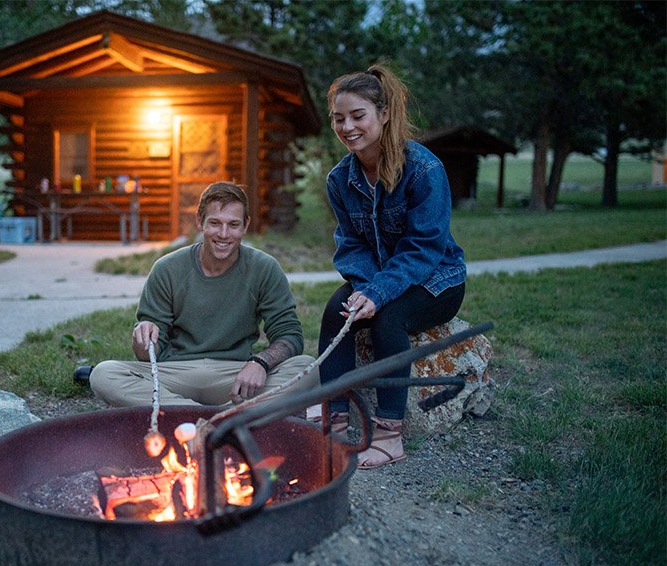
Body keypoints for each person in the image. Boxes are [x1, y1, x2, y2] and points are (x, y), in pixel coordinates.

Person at [315, 64, 467, 469]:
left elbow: (424, 248)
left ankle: (389, 433)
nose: (347, 127)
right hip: (379, 276)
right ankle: (334, 420)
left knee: (388, 320)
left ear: (383, 114)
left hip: (437, 280)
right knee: (337, 311)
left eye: (357, 116)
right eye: (338, 118)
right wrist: (365, 290)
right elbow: (350, 244)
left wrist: (378, 296)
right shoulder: (339, 180)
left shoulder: (423, 169)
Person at [89, 181, 318, 407]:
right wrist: (143, 341)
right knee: (104, 374)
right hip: (175, 372)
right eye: (215, 223)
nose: (224, 234)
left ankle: (184, 416)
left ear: (245, 225)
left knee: (308, 368)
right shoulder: (167, 268)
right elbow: (149, 353)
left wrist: (261, 362)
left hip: (234, 374)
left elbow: (290, 336)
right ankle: (220, 417)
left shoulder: (264, 268)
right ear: (200, 222)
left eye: (233, 224)